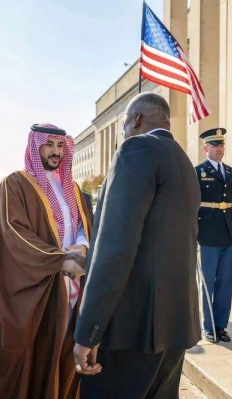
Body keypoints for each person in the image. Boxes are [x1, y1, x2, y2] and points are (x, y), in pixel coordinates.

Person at [73, 92, 201, 398]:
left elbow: (114, 248)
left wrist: (89, 330)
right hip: (175, 323)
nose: (123, 136)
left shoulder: (137, 148)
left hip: (133, 328)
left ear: (136, 119)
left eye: (123, 128)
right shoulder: (183, 160)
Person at [0, 123, 93, 399]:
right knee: (35, 358)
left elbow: (84, 226)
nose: (56, 152)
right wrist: (59, 260)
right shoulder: (14, 184)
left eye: (61, 146)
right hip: (38, 289)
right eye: (49, 145)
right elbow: (13, 233)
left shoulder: (71, 188)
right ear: (34, 145)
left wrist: (83, 246)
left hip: (72, 288)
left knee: (65, 354)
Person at [195, 127, 232, 343]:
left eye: (222, 144)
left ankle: (220, 325)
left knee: (225, 282)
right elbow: (191, 206)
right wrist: (193, 235)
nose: (219, 148)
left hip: (227, 233)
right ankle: (208, 326)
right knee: (208, 282)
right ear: (205, 148)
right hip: (207, 234)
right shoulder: (198, 172)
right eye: (215, 145)